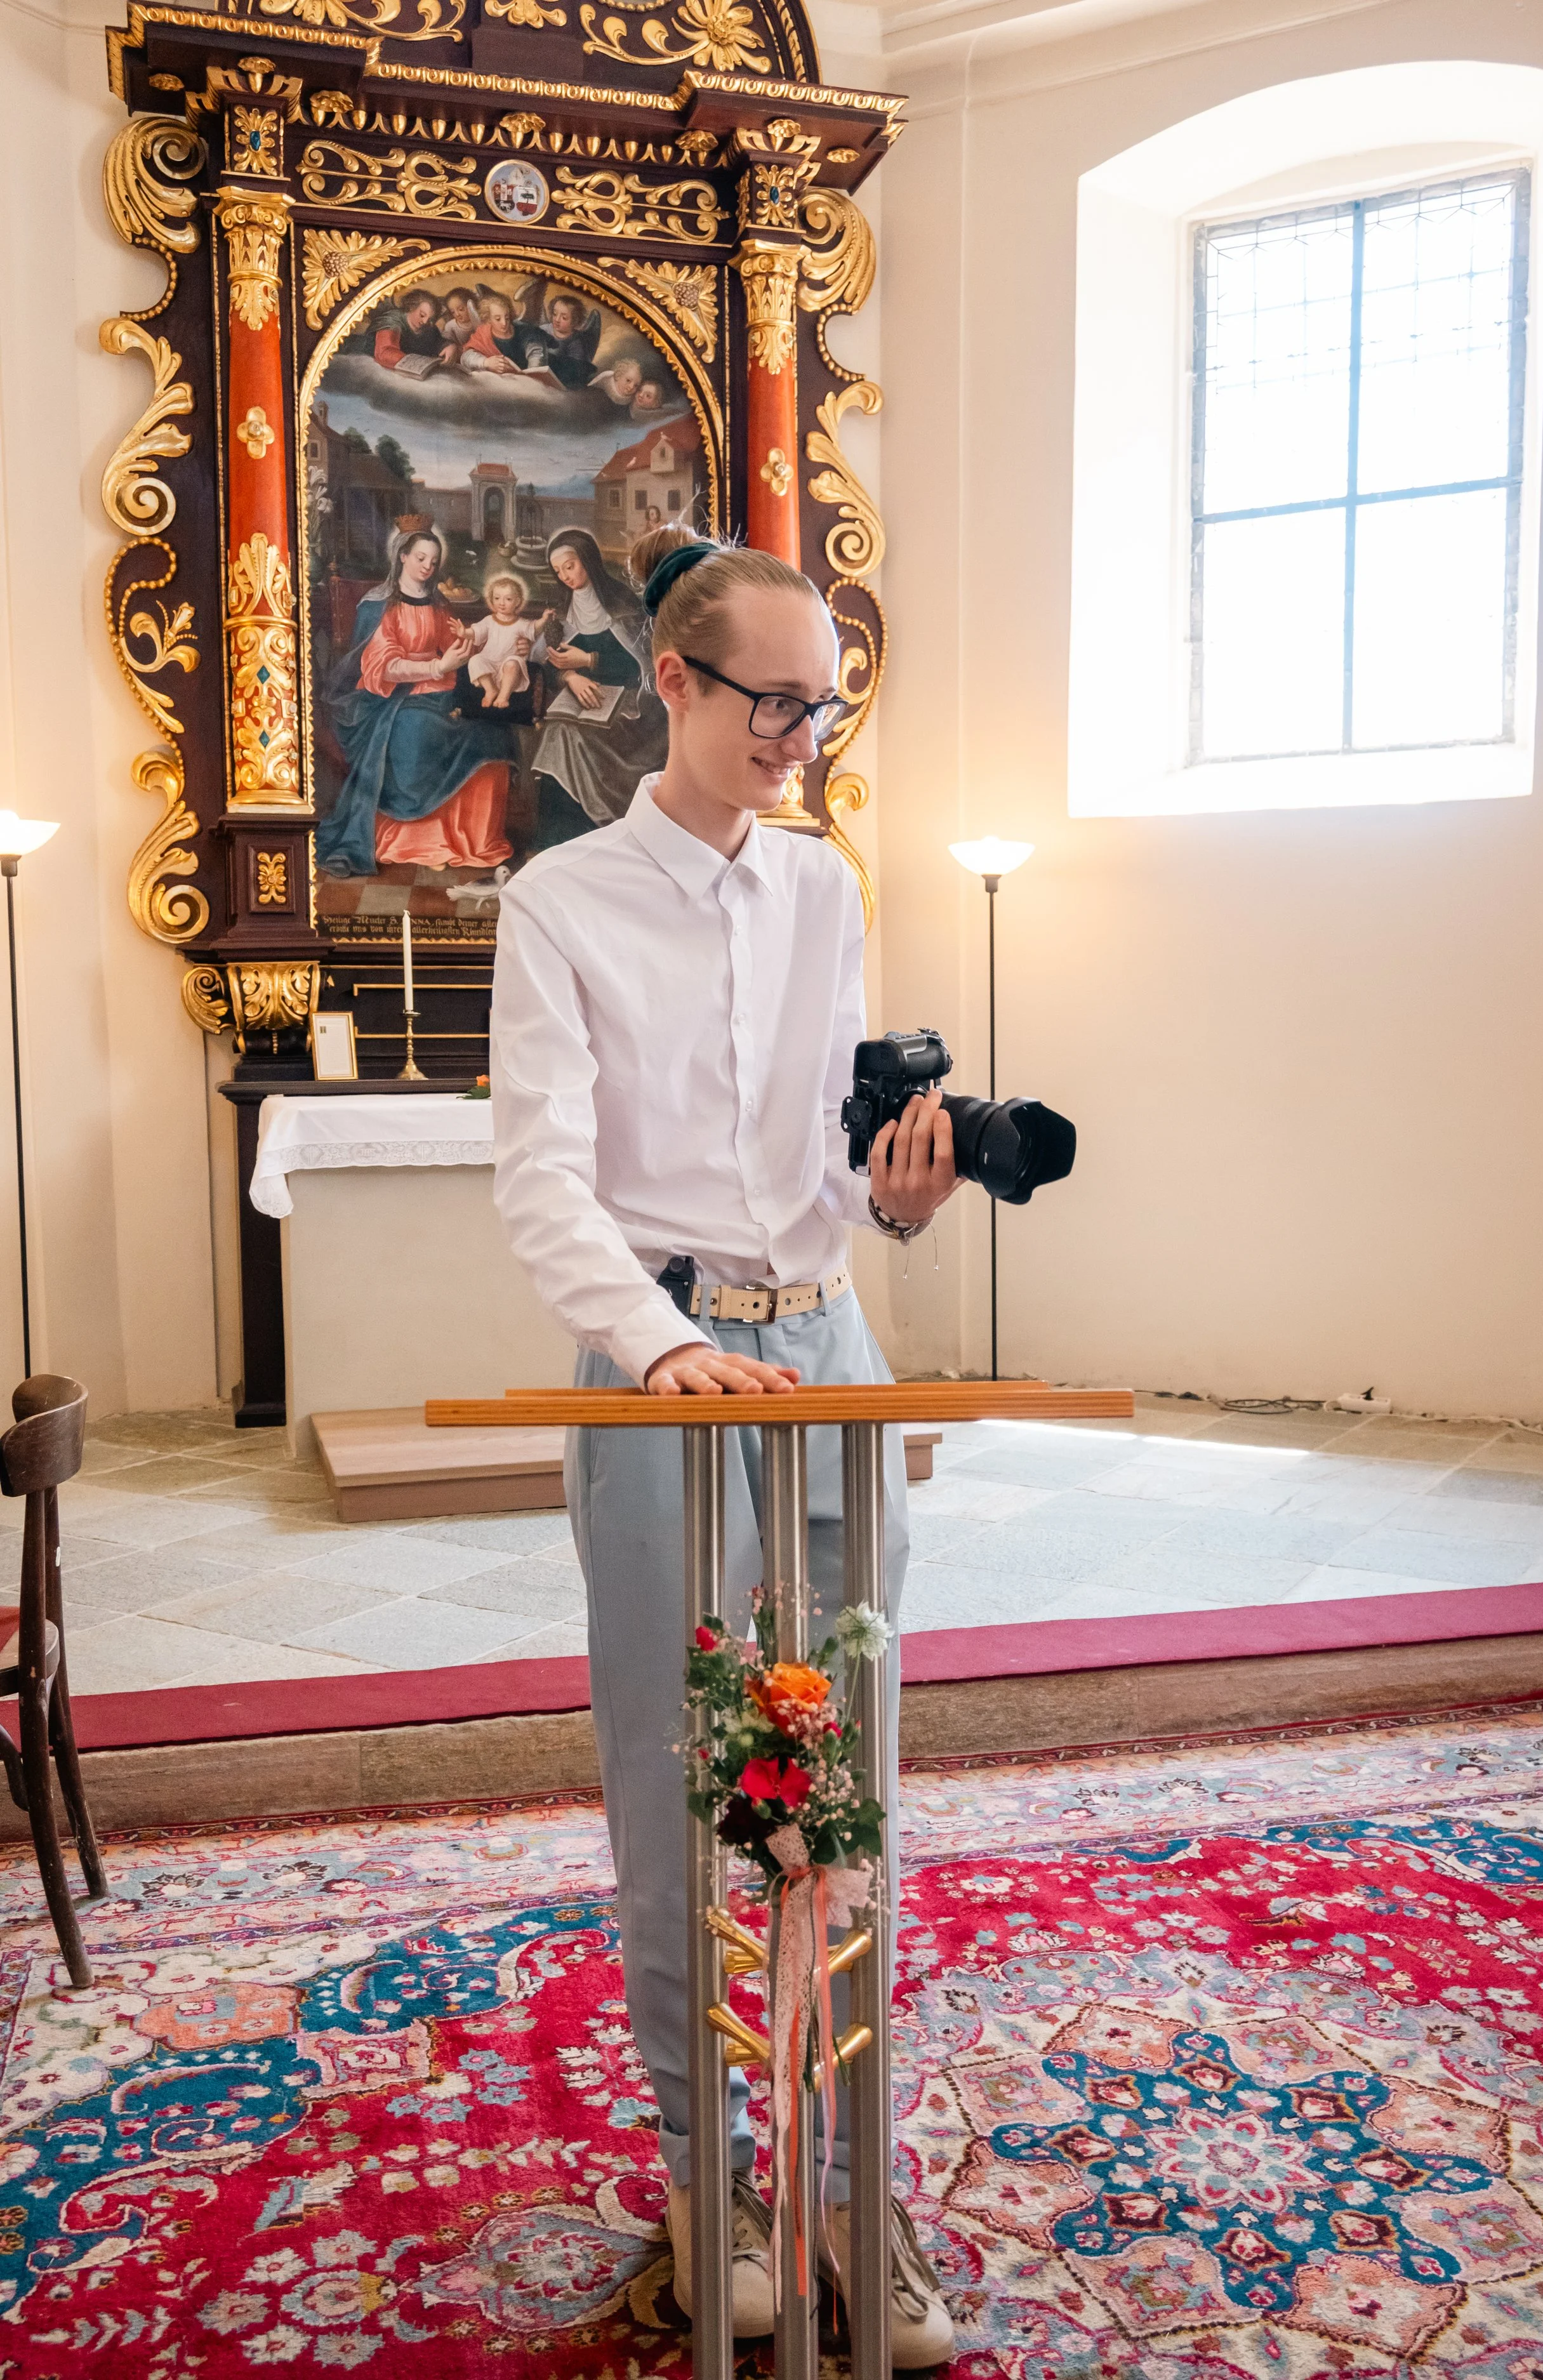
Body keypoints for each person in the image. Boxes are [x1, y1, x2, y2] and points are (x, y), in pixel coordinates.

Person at [491, 524, 960, 2365]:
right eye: (772, 700)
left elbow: (828, 1148)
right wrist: (665, 1342)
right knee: (683, 1792)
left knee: (849, 1775)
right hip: (657, 1375)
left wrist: (895, 1194)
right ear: (671, 683)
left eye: (822, 709)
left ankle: (850, 2176)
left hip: (826, 1353)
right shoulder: (563, 900)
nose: (799, 737)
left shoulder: (826, 885)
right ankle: (713, 2176)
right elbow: (538, 1170)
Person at [315, 526, 514, 878]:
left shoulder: (437, 603)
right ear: (403, 556)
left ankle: (471, 841)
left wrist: (480, 648)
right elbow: (383, 667)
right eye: (420, 558)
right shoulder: (380, 606)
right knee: (420, 733)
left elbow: (455, 644)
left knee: (493, 730)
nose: (427, 566)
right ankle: (418, 842)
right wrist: (437, 665)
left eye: (433, 561)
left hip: (444, 688)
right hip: (390, 699)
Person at [524, 527, 667, 842]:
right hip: (580, 700)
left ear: (588, 560)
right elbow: (547, 662)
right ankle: (557, 840)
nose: (564, 576)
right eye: (558, 570)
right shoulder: (562, 610)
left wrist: (589, 661)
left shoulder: (621, 602)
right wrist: (570, 676)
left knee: (568, 734)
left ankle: (600, 835)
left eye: (570, 566)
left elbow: (641, 668)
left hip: (632, 708)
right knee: (560, 730)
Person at [467, 574, 548, 709]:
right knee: (475, 660)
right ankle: (491, 690)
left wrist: (544, 620)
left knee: (513, 663)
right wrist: (464, 632)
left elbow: (534, 628)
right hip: (490, 666)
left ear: (517, 602)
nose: (502, 603)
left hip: (509, 670)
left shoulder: (520, 623)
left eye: (508, 599)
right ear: (492, 600)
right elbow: (477, 632)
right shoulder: (489, 620)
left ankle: (504, 696)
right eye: (497, 598)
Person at [373, 289, 444, 370]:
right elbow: (384, 353)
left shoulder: (430, 328)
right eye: (422, 315)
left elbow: (439, 343)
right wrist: (417, 363)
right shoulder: (393, 321)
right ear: (411, 307)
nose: (425, 322)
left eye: (430, 319)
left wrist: (449, 346)